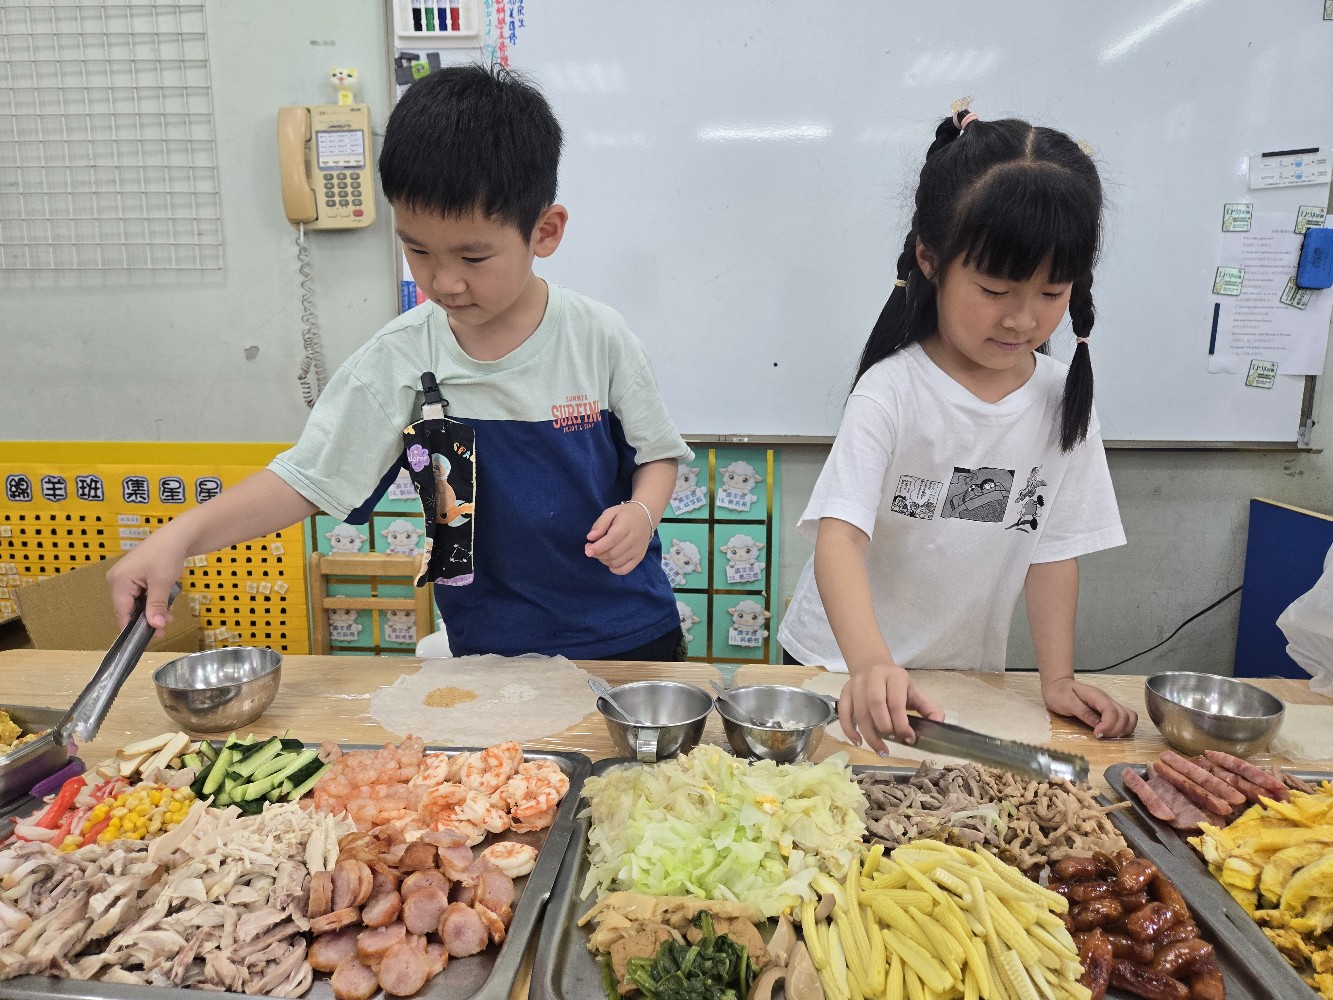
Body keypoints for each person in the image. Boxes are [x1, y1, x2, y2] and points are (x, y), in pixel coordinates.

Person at [109, 65, 692, 661]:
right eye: (417, 249)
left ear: (544, 231)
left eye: (473, 257)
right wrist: (179, 537)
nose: (444, 281)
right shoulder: (401, 357)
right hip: (489, 649)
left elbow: (658, 454)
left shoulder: (598, 337)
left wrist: (642, 512)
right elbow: (306, 479)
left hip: (629, 634)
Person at [776, 104, 1138, 752]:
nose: (1021, 319)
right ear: (930, 258)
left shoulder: (1062, 400)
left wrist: (1057, 679)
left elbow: (1052, 551)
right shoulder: (891, 390)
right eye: (995, 290)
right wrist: (868, 663)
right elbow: (840, 538)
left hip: (962, 677)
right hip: (838, 667)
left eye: (1051, 292)